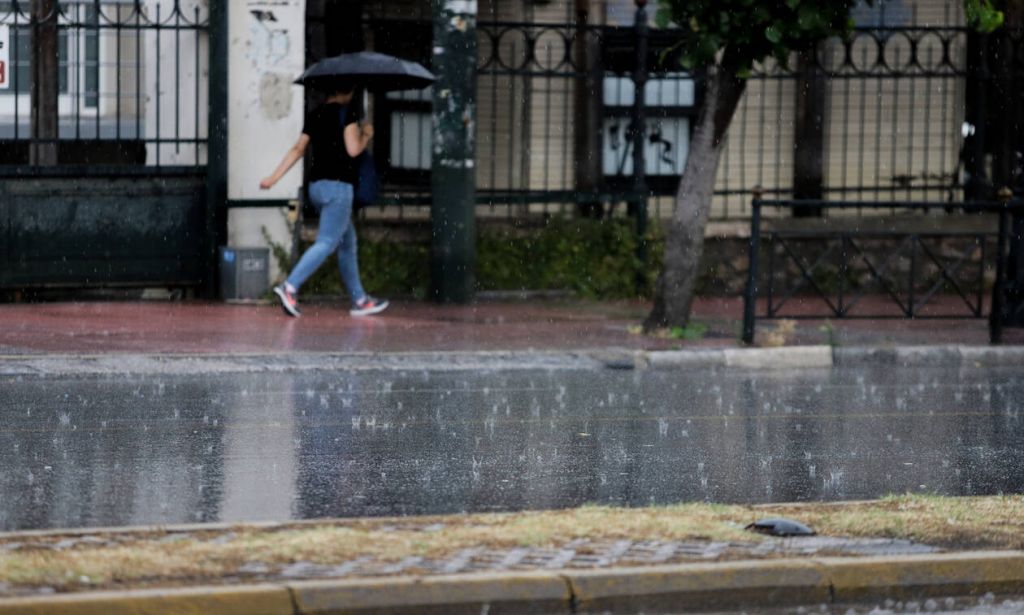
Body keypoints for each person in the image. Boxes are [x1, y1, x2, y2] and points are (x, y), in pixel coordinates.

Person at [260, 83, 389, 318]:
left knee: (347, 243)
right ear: (347, 90)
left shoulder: (315, 114)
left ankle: (360, 299)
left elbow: (298, 149)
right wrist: (366, 135)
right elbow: (353, 150)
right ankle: (289, 287)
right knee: (328, 242)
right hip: (338, 189)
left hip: (317, 188)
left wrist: (274, 178)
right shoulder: (346, 113)